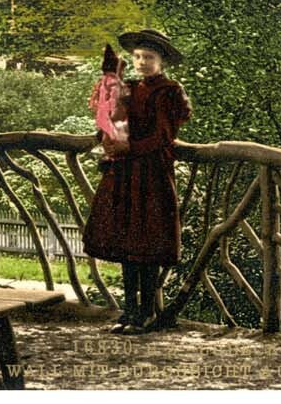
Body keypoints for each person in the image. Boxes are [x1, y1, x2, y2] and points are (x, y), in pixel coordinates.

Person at [82, 29, 192, 335]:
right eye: (139, 57)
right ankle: (128, 312)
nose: (143, 63)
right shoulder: (129, 87)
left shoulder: (169, 91)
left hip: (151, 175)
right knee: (127, 245)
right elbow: (111, 115)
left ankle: (147, 314)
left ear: (162, 61)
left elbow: (163, 136)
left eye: (150, 58)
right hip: (126, 176)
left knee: (146, 246)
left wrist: (128, 148)